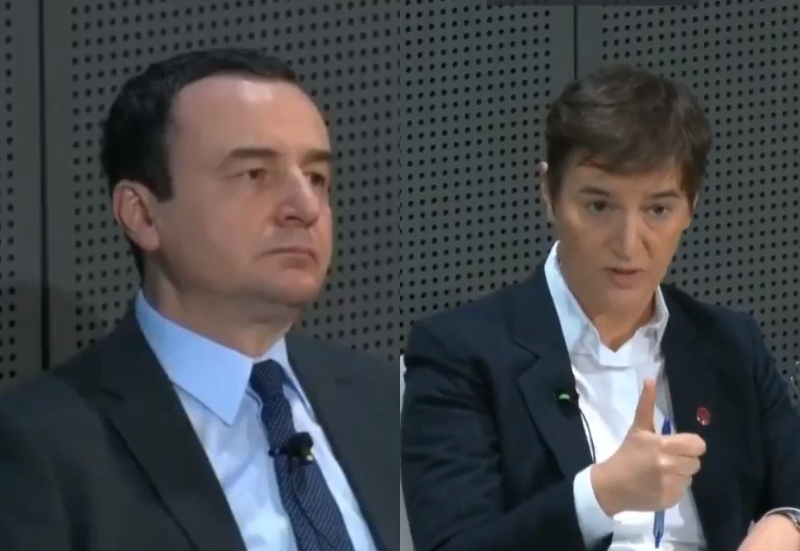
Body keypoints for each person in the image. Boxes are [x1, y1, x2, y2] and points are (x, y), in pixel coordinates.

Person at [0, 48, 398, 551]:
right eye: (254, 175)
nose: (305, 207)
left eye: (316, 178)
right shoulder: (43, 445)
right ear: (142, 214)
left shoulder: (393, 404)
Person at [400, 64, 800, 551]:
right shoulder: (461, 352)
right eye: (599, 206)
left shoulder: (731, 344)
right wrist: (601, 494)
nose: (629, 244)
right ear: (549, 192)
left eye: (658, 210)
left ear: (691, 207)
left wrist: (787, 524)